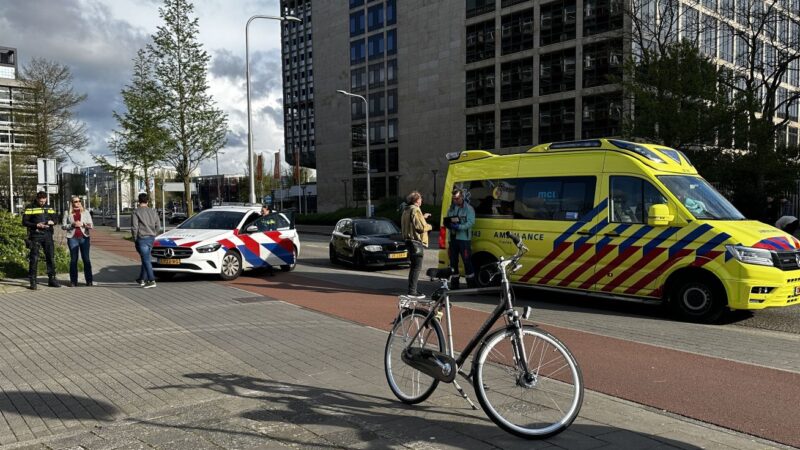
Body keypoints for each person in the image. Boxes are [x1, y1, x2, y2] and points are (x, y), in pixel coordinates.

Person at [22, 191, 61, 290]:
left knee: (50, 257)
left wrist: (53, 222)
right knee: (34, 258)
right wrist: (36, 225)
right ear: (37, 199)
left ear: (46, 199)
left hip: (48, 235)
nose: (42, 203)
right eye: (41, 201)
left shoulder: (49, 207)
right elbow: (24, 222)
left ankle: (52, 279)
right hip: (35, 235)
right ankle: (33, 281)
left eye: (44, 201)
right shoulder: (30, 207)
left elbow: (56, 219)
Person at [401, 191, 432, 298]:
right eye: (420, 199)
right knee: (416, 268)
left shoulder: (406, 209)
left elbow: (412, 222)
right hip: (416, 242)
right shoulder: (416, 209)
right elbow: (420, 228)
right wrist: (430, 226)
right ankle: (412, 291)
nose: (421, 200)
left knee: (413, 267)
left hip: (408, 241)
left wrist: (423, 217)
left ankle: (412, 290)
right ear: (416, 200)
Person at [445, 188, 476, 289]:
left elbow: (470, 222)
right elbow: (447, 220)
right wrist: (449, 225)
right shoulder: (451, 209)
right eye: (454, 198)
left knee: (467, 262)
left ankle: (471, 286)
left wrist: (459, 227)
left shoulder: (469, 209)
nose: (455, 200)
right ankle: (454, 285)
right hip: (453, 239)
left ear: (462, 197)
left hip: (464, 240)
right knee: (453, 262)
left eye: (457, 198)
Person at [61, 195, 94, 287]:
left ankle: (89, 281)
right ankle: (73, 281)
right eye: (76, 201)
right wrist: (72, 225)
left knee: (86, 259)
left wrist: (83, 224)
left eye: (79, 201)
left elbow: (91, 225)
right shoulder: (67, 213)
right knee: (73, 260)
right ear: (72, 203)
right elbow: (63, 226)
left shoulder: (85, 212)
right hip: (72, 238)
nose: (78, 203)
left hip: (84, 238)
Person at [131, 193, 161, 288]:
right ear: (147, 201)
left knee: (146, 260)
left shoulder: (136, 212)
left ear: (138, 201)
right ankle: (142, 279)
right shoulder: (153, 211)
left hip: (142, 238)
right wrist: (154, 234)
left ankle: (152, 280)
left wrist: (135, 238)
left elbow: (134, 227)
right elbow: (158, 226)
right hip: (151, 238)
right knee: (146, 258)